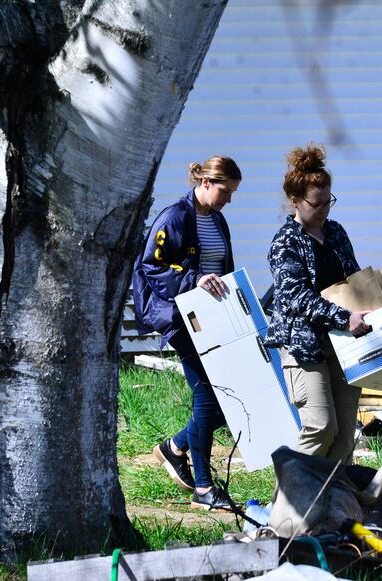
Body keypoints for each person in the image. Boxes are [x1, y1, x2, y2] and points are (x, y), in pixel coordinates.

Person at [132, 155, 241, 510]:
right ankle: (204, 489)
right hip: (181, 318)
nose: (229, 199)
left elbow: (222, 269)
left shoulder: (219, 221)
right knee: (208, 396)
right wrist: (193, 280)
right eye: (226, 190)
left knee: (229, 397)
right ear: (206, 183)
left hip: (214, 318)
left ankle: (175, 447)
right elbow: (151, 265)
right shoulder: (175, 217)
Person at [265, 144, 370, 463]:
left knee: (343, 438)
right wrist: (344, 317)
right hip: (304, 347)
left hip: (344, 345)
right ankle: (288, 503)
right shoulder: (285, 243)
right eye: (317, 203)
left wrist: (376, 302)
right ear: (295, 201)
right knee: (321, 428)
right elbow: (296, 297)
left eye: (329, 201)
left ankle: (337, 506)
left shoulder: (336, 232)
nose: (325, 209)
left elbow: (353, 278)